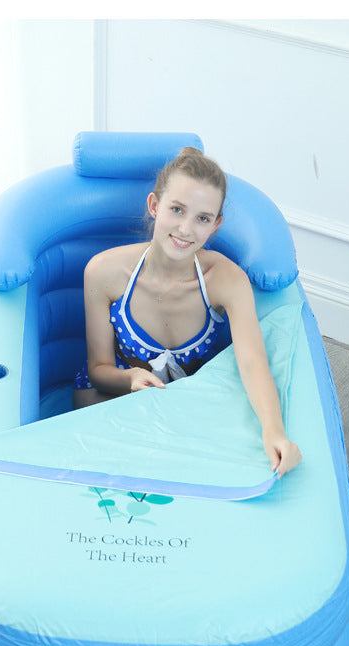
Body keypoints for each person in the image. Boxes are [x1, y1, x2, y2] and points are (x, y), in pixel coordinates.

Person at [73, 146, 302, 479]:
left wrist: (273, 431)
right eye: (177, 210)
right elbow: (98, 369)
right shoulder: (104, 272)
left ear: (216, 225)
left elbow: (253, 362)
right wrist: (130, 378)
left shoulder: (226, 281)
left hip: (180, 404)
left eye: (202, 218)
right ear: (154, 206)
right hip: (113, 398)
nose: (185, 229)